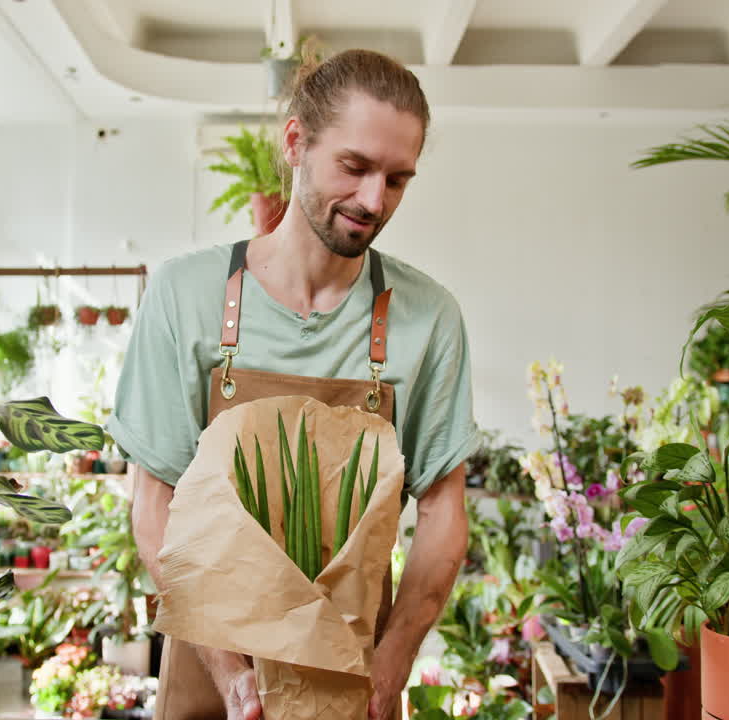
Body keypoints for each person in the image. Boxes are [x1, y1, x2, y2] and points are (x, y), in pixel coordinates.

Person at [107, 48, 477, 720]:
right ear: (296, 143)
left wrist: (391, 666)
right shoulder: (185, 296)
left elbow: (445, 513)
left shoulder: (428, 319)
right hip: (210, 674)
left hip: (352, 683)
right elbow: (153, 503)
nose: (374, 200)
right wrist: (232, 678)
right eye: (355, 167)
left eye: (397, 180)